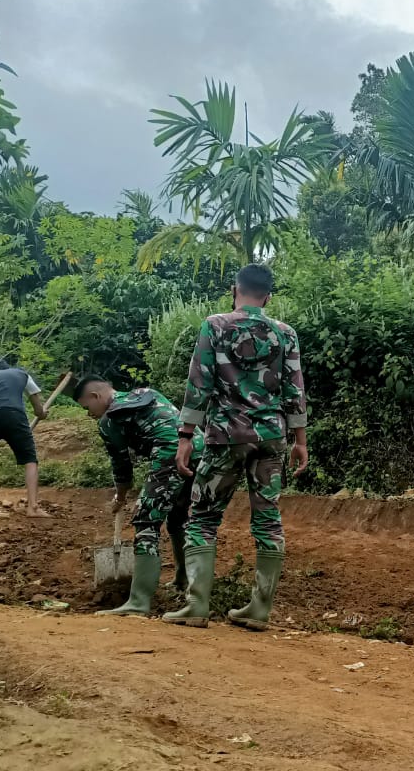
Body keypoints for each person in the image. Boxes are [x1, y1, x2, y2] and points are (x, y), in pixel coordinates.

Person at [164, 263, 308, 630]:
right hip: (271, 438)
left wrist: (185, 437)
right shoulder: (285, 333)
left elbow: (199, 383)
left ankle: (197, 605)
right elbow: (295, 388)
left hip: (225, 436)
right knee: (268, 519)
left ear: (234, 290)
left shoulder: (214, 326)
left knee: (203, 517)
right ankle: (259, 609)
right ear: (268, 297)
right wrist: (300, 440)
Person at [73, 375, 205, 616]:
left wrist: (120, 497)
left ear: (96, 396)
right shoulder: (146, 393)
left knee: (146, 521)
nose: (89, 414)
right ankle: (182, 580)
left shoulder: (109, 420)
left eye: (87, 407)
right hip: (200, 448)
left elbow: (122, 466)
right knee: (177, 519)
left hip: (170, 454)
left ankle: (138, 601)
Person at [0, 358, 50, 517]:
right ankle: (33, 508)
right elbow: (37, 408)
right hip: (15, 415)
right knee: (30, 460)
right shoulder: (21, 374)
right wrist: (42, 414)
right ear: (8, 368)